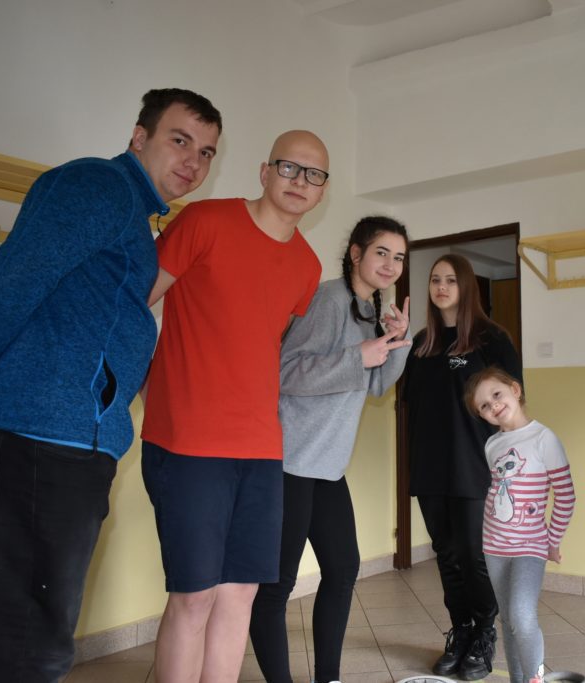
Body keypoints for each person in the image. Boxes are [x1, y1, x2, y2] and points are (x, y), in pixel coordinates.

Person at [0, 88, 222, 680]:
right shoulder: (97, 185)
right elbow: (7, 285)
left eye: (207, 152)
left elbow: (65, 316)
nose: (193, 161)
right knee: (32, 647)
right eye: (180, 140)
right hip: (41, 443)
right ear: (140, 137)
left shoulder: (134, 217)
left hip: (64, 442)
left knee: (31, 639)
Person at [140, 130, 326, 682]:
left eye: (314, 175)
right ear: (265, 172)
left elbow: (261, 343)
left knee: (240, 593)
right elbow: (133, 303)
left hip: (261, 449)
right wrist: (143, 387)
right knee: (193, 596)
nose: (300, 181)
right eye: (289, 168)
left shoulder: (307, 267)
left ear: (322, 191)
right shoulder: (205, 221)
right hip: (187, 443)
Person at [249, 216, 412, 683]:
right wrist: (358, 355)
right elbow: (287, 371)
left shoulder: (369, 309)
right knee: (277, 585)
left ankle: (329, 678)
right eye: (381, 252)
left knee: (342, 570)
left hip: (327, 466)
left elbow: (374, 385)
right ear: (356, 254)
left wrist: (397, 343)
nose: (391, 265)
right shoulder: (330, 299)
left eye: (399, 257)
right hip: (290, 462)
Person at [402, 254, 522, 680]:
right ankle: (462, 629)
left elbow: (511, 406)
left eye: (451, 280)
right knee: (447, 554)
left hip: (477, 465)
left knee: (474, 555)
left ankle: (485, 631)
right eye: (435, 279)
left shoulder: (491, 339)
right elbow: (409, 403)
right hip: (430, 466)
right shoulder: (422, 343)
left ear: (466, 285)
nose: (441, 287)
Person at [464, 366, 575, 683]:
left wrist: (552, 541)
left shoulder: (544, 438)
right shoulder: (492, 445)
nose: (493, 406)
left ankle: (535, 678)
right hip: (495, 547)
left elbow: (566, 496)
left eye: (496, 395)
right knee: (509, 621)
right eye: (484, 406)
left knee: (522, 617)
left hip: (530, 546)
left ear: (515, 390)